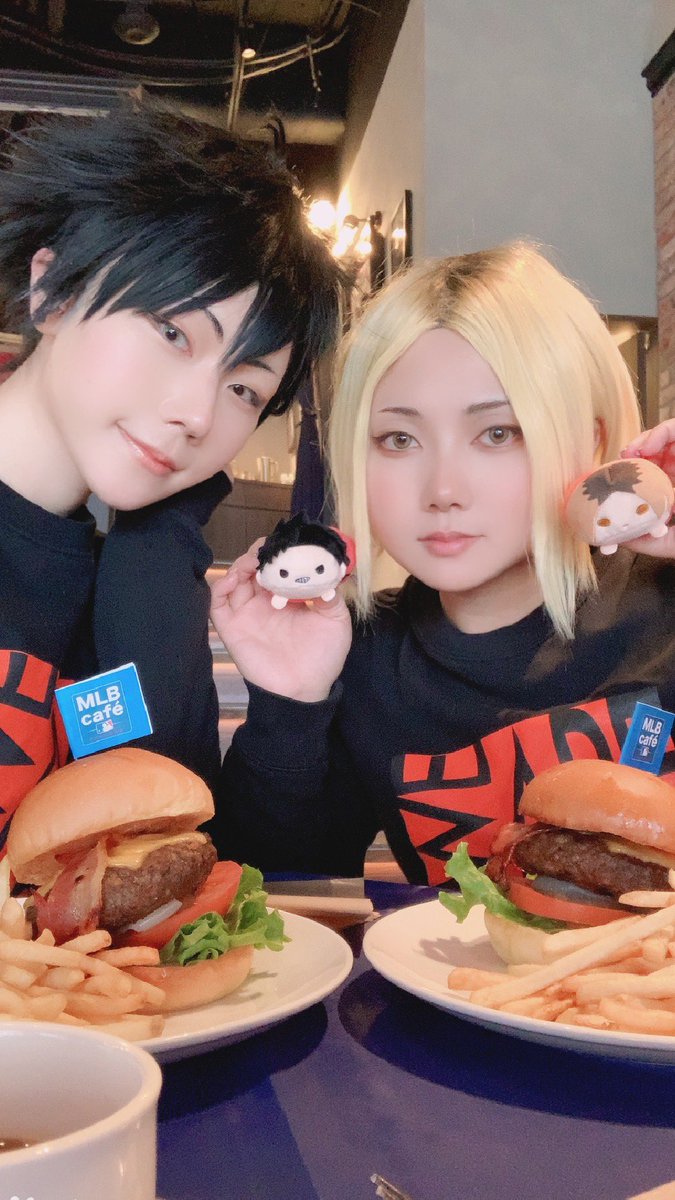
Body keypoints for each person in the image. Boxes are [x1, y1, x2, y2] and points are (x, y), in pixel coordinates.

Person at [209, 242, 675, 885]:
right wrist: (289, 703)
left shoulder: (664, 601)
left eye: (498, 433)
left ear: (590, 441)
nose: (443, 489)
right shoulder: (361, 655)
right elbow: (279, 891)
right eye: (398, 439)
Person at [0, 99, 342, 848]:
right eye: (172, 333)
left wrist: (290, 704)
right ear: (53, 292)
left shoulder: (150, 570)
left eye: (244, 389)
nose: (196, 414)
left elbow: (193, 868)